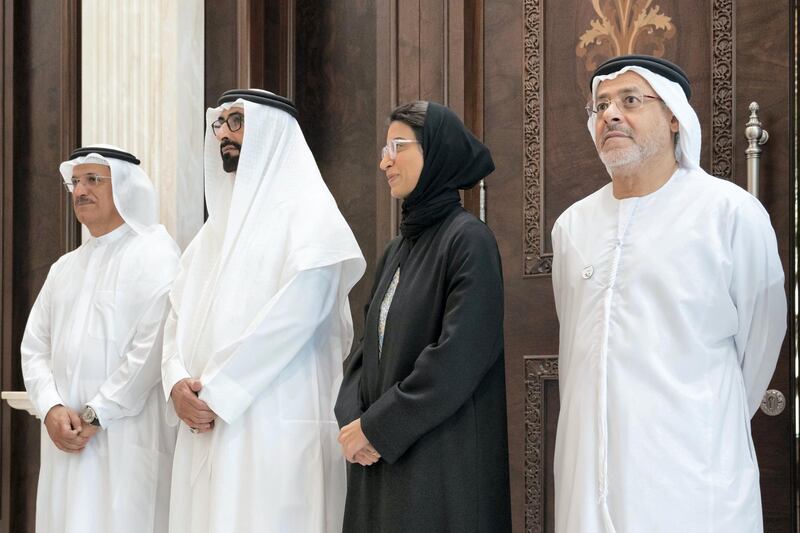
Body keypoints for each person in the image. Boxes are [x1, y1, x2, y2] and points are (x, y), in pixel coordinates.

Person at [551, 55, 787, 532]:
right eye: (601, 105)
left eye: (630, 100)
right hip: (587, 482)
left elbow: (761, 342)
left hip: (694, 480)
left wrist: (703, 418)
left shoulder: (730, 214)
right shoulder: (571, 226)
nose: (611, 114)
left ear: (675, 116)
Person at [162, 89, 365, 533]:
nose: (224, 136)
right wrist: (175, 381)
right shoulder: (208, 238)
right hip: (202, 421)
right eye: (221, 124)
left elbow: (295, 319)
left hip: (271, 426)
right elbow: (176, 317)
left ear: (273, 134)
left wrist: (215, 391)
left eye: (238, 122)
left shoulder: (311, 218)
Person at [334, 101, 511, 533]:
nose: (384, 161)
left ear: (436, 151)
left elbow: (457, 358)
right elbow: (364, 348)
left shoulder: (469, 241)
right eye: (384, 147)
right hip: (379, 458)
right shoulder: (397, 249)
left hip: (437, 462)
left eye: (398, 145)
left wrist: (377, 427)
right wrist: (352, 420)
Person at [21, 145, 180, 533]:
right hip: (65, 440)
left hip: (124, 439)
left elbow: (153, 347)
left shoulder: (156, 254)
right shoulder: (65, 266)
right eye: (75, 182)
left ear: (125, 188)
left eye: (94, 180)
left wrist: (97, 413)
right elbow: (34, 346)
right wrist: (52, 406)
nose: (80, 191)